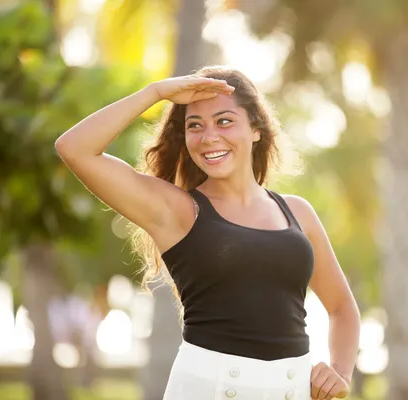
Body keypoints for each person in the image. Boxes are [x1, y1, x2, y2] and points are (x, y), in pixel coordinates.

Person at [55, 65, 360, 400]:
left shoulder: (297, 212)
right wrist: (155, 92)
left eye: (224, 121)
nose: (209, 136)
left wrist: (340, 371)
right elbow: (75, 148)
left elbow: (342, 306)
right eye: (194, 126)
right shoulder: (177, 211)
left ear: (256, 128)